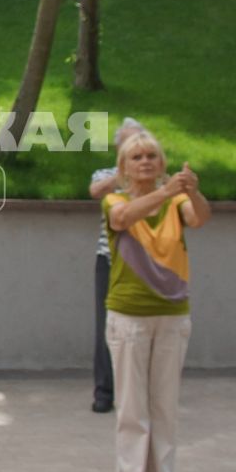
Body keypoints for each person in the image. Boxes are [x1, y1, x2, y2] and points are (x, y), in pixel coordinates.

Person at [103, 129, 211, 472]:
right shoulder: (116, 200)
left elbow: (198, 218)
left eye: (152, 156)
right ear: (124, 167)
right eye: (137, 157)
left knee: (165, 409)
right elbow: (122, 218)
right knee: (133, 411)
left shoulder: (177, 199)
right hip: (129, 316)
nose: (146, 162)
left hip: (172, 314)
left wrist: (192, 191)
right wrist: (167, 193)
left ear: (162, 164)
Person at [86, 116, 145, 413]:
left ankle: (136, 393)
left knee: (143, 327)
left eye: (138, 143)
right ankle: (104, 392)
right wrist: (124, 174)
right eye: (127, 143)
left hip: (148, 264)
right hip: (109, 260)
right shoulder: (107, 174)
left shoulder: (155, 177)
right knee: (106, 327)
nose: (135, 150)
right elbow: (96, 191)